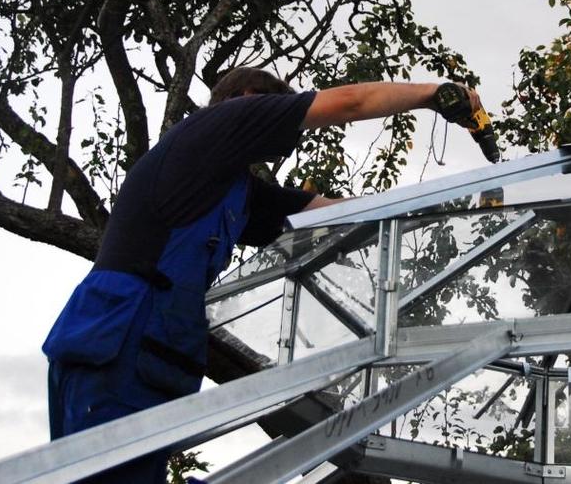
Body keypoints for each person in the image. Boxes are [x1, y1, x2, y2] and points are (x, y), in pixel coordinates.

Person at [42, 68, 481, 482]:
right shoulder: (221, 122)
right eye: (276, 109)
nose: (284, 138)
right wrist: (433, 94)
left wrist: (440, 207)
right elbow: (350, 102)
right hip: (124, 332)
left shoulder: (230, 188)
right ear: (248, 98)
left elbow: (330, 214)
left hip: (149, 341)